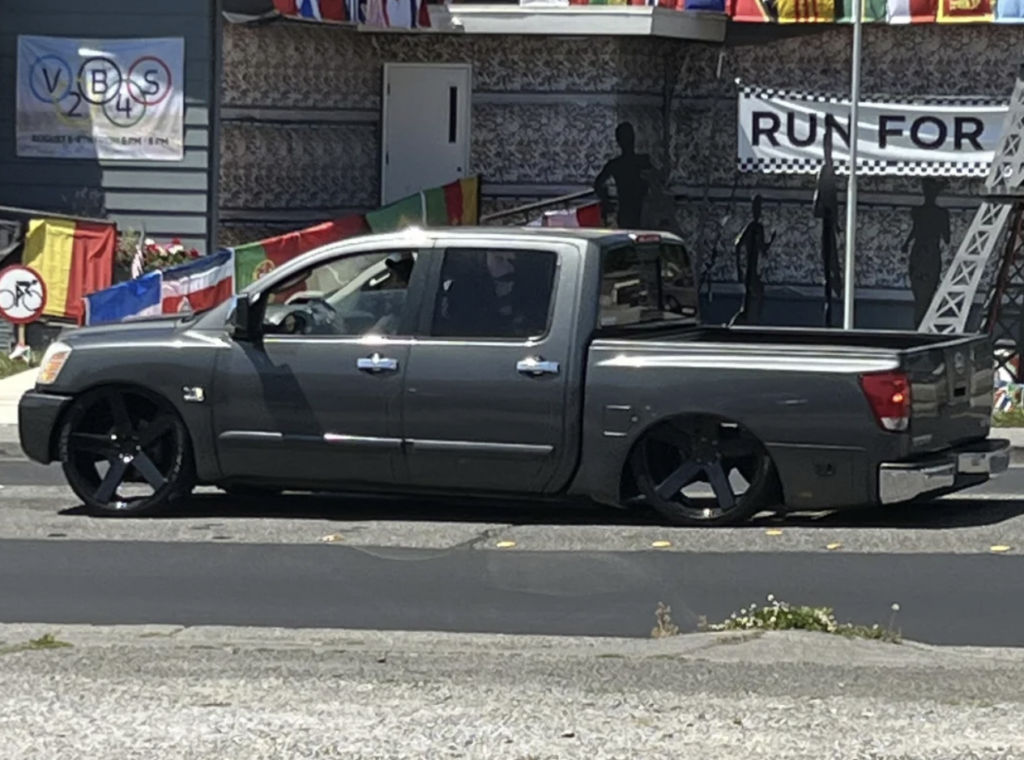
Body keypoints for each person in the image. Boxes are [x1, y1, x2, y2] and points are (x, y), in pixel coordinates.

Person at [902, 178, 950, 328]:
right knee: (923, 291)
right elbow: (946, 237)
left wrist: (907, 243)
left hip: (923, 253)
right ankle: (922, 322)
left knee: (924, 291)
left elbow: (916, 230)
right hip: (928, 253)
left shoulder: (922, 212)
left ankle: (922, 322)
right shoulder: (939, 213)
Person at [593, 122, 654, 229]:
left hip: (641, 211)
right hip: (630, 211)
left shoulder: (639, 161)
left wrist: (606, 201)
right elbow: (598, 184)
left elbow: (598, 184)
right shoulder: (636, 162)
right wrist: (606, 202)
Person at [729, 194, 775, 327]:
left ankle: (749, 322)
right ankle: (736, 324)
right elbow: (738, 244)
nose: (757, 211)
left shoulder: (758, 227)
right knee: (749, 301)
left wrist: (771, 240)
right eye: (756, 207)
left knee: (756, 295)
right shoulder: (752, 227)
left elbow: (763, 249)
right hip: (749, 269)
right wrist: (738, 267)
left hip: (754, 268)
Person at [814, 129, 842, 327]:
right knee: (829, 263)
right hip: (826, 225)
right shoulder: (825, 171)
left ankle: (832, 292)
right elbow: (818, 207)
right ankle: (829, 297)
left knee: (832, 262)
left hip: (830, 225)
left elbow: (834, 202)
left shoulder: (830, 172)